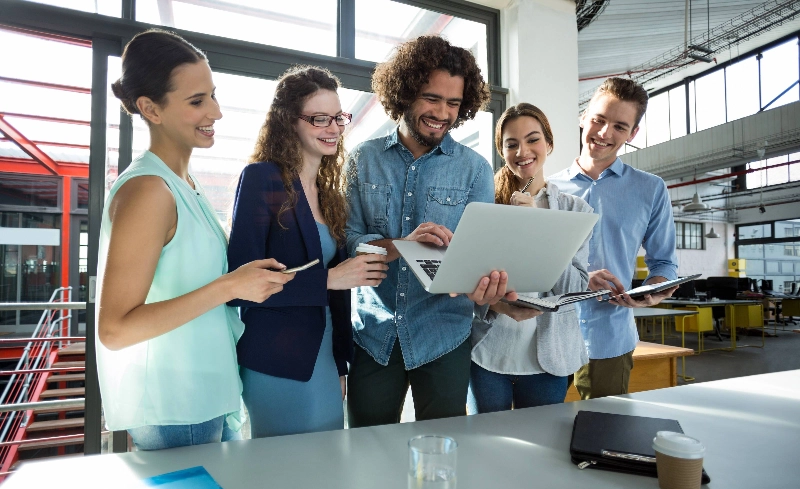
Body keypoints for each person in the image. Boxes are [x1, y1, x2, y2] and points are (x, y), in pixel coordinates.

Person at [96, 29, 292, 451]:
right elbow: (114, 329)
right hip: (176, 407)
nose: (216, 112)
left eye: (213, 95)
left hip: (207, 395)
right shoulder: (150, 191)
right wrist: (230, 286)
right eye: (197, 101)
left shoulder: (186, 184)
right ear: (151, 108)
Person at [345, 35, 514, 427]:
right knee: (367, 449)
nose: (443, 112)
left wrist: (487, 285)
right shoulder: (362, 160)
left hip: (444, 333)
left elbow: (480, 255)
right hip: (374, 332)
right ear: (404, 93)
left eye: (453, 103)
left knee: (444, 449)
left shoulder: (474, 170)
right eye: (431, 98)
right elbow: (349, 244)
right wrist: (400, 246)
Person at [226, 66, 388, 438]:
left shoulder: (330, 192)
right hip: (277, 361)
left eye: (338, 118)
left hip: (326, 356)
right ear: (289, 123)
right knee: (284, 477)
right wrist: (331, 278)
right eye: (319, 119)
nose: (332, 128)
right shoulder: (261, 178)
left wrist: (341, 363)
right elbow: (240, 282)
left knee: (327, 468)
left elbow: (335, 298)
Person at [549, 77, 679, 399]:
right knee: (537, 431)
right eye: (598, 120)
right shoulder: (545, 188)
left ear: (632, 134)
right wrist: (579, 278)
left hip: (610, 334)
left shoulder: (650, 189)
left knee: (602, 434)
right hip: (548, 330)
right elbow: (528, 262)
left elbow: (665, 263)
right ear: (583, 117)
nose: (605, 133)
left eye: (620, 126)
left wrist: (653, 291)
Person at [469, 104, 592, 413]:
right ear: (503, 151)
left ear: (548, 144)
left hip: (548, 360)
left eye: (533, 139)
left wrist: (539, 227)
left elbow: (575, 289)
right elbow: (468, 281)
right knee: (487, 444)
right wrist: (495, 303)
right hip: (487, 354)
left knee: (541, 445)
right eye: (511, 144)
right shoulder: (485, 207)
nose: (522, 150)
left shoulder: (576, 211)